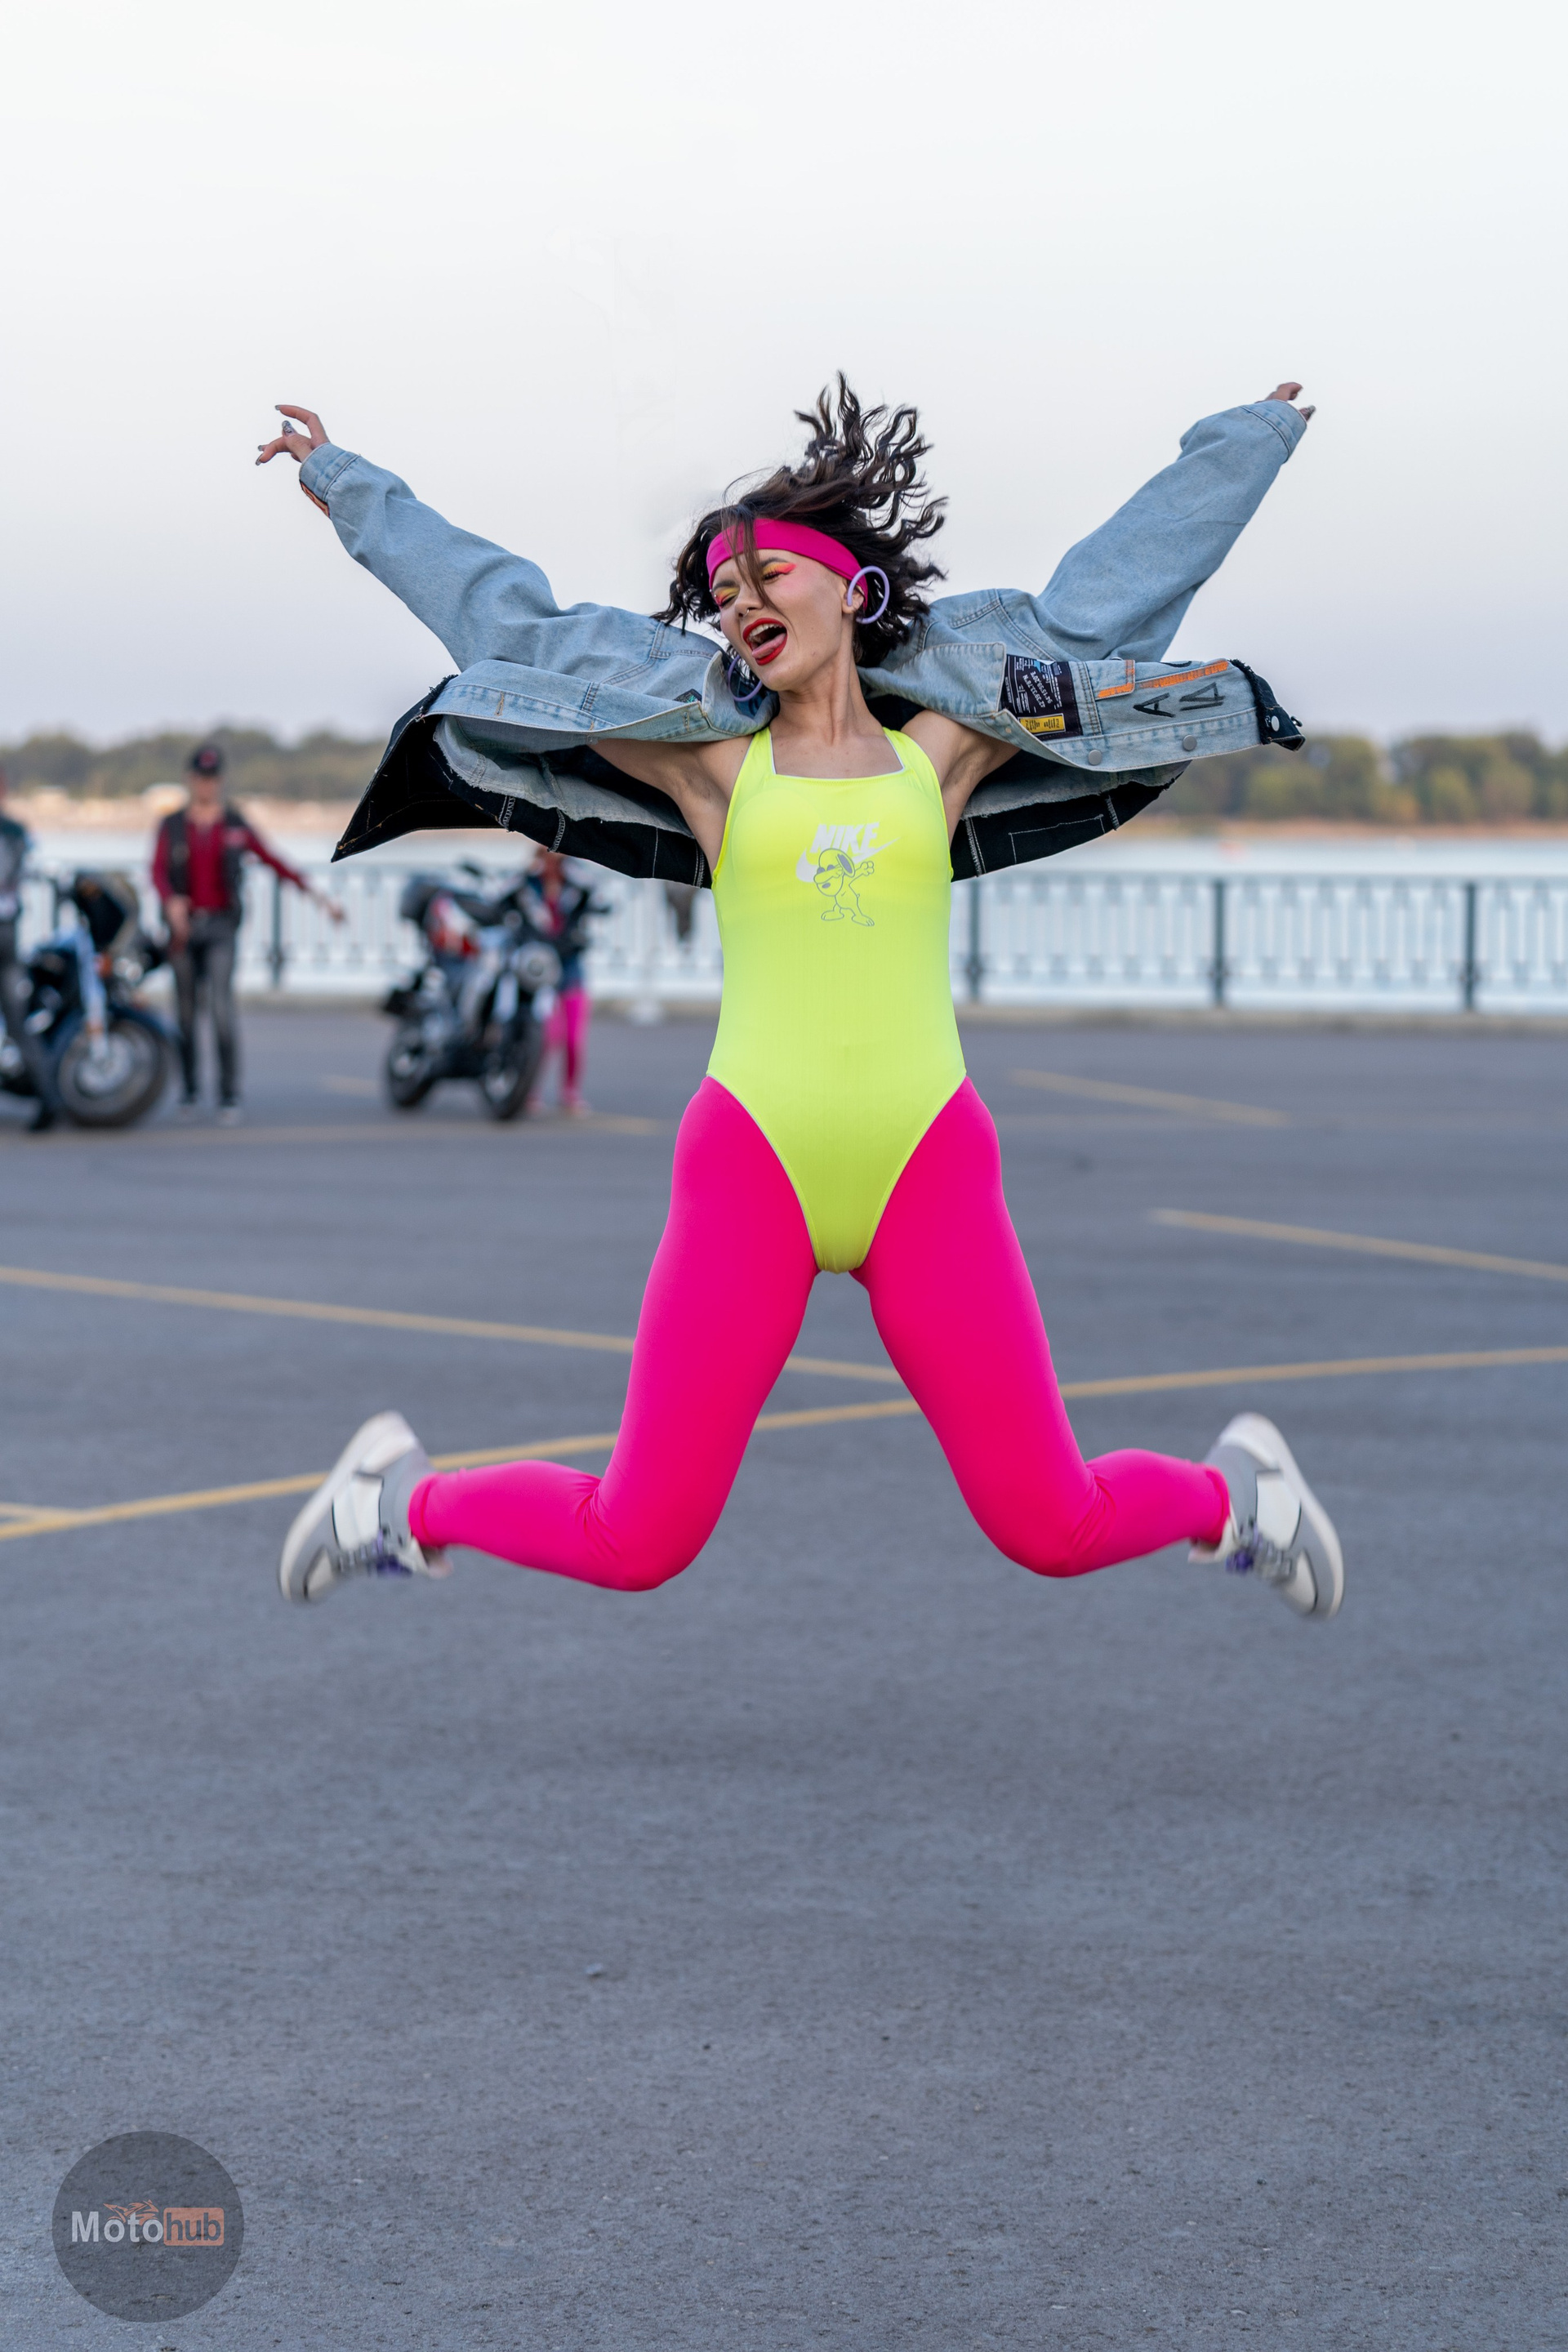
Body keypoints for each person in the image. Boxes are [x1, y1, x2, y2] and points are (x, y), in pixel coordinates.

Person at [264, 381, 1343, 1624]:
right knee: (636, 1539)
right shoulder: (714, 770)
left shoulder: (945, 754)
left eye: (766, 576)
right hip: (753, 1163)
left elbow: (1098, 607)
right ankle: (398, 1504)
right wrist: (356, 493)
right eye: (724, 596)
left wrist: (1244, 446)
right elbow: (524, 631)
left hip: (927, 1163)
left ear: (849, 587)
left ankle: (1236, 1497)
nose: (740, 606)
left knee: (1056, 1527)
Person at [151, 744, 342, 1122]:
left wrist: (320, 899)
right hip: (183, 930)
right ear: (191, 780)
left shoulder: (235, 824)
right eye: (201, 778)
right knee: (185, 1014)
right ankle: (189, 1089)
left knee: (221, 1010)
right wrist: (171, 902)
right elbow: (157, 871)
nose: (207, 785)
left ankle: (228, 1093)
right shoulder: (171, 825)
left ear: (220, 781)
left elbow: (274, 861)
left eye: (213, 778)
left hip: (222, 926)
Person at [0, 764, 63, 1131]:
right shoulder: (17, 831)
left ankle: (47, 1096)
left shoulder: (12, 831)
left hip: (5, 932)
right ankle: (48, 1097)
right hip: (8, 930)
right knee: (18, 1021)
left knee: (17, 1019)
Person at [522, 850, 607, 1114]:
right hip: (541, 967)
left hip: (570, 965)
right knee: (546, 1036)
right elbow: (505, 899)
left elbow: (600, 899)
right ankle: (529, 1091)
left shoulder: (576, 883)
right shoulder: (529, 884)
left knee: (573, 1037)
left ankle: (570, 1092)